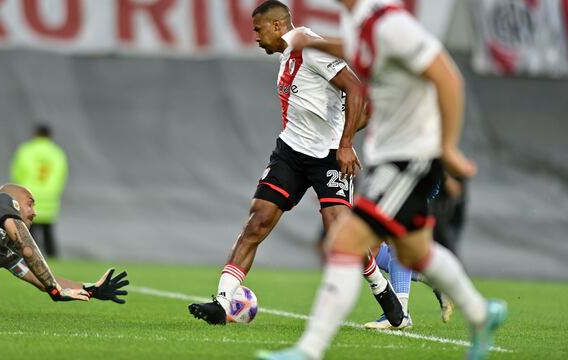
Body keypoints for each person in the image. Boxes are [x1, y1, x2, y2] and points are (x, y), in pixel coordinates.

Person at [257, 1, 506, 359]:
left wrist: (448, 147)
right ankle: (483, 313)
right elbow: (358, 49)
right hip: (389, 154)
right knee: (414, 252)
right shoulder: (360, 21)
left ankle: (308, 350)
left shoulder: (391, 22)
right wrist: (316, 44)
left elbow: (447, 77)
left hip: (411, 155)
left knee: (345, 241)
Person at [188, 0, 404, 327]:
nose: (256, 37)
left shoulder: (309, 47)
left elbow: (356, 89)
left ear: (277, 26)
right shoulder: (288, 55)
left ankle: (382, 290)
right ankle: (221, 302)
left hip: (327, 157)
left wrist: (345, 143)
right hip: (290, 152)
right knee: (257, 221)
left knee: (340, 234)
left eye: (258, 29)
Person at [0, 183, 128, 304]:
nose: (34, 212)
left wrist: (91, 289)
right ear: (14, 201)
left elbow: (44, 279)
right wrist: (55, 291)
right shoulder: (1, 200)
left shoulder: (9, 255)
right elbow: (28, 248)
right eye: (30, 203)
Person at [11, 124, 68, 257]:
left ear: (35, 134)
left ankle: (28, 258)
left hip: (29, 197)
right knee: (48, 233)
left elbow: (17, 173)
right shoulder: (57, 153)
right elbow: (61, 175)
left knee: (28, 233)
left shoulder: (26, 150)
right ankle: (53, 260)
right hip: (50, 198)